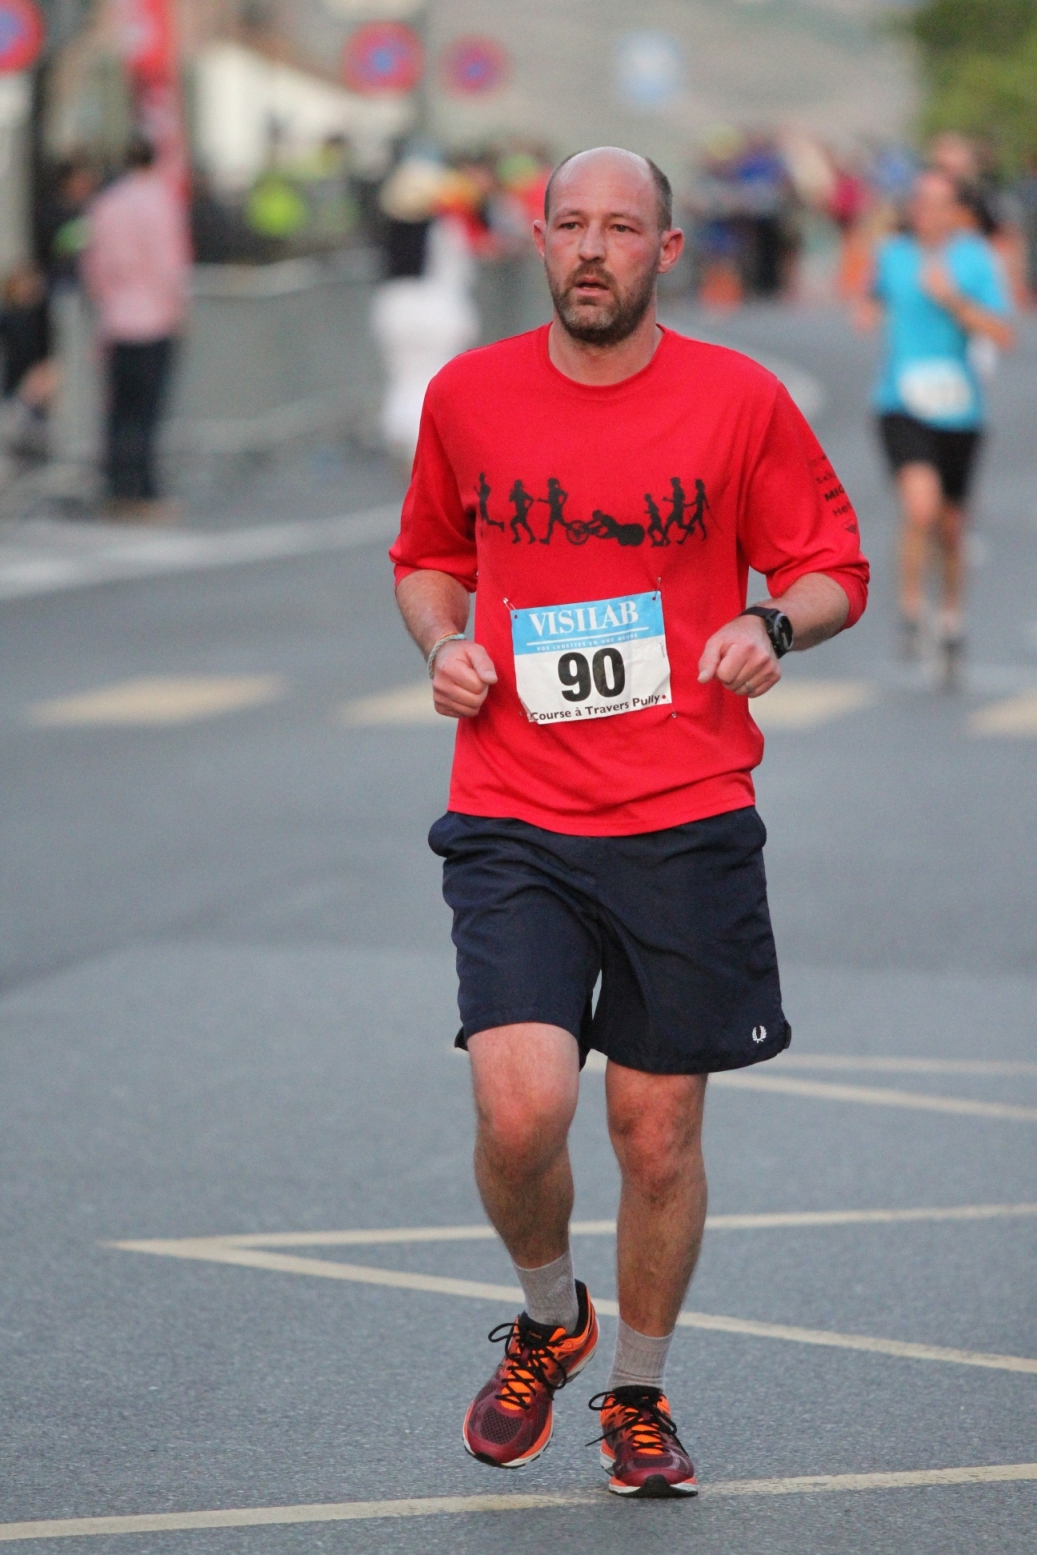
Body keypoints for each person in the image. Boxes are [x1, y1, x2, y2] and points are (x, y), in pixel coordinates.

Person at [391, 146, 868, 1499]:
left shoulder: (737, 398)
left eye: (620, 227)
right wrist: (443, 643)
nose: (591, 247)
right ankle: (550, 1317)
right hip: (513, 808)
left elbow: (834, 566)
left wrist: (771, 625)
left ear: (664, 251)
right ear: (537, 241)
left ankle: (639, 1392)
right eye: (570, 225)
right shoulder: (468, 395)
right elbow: (427, 556)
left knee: (655, 1136)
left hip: (683, 814)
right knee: (519, 1107)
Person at [856, 168, 1013, 685]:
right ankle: (909, 608)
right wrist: (869, 308)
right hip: (900, 400)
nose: (926, 211)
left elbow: (1002, 332)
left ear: (956, 211)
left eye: (938, 202)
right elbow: (872, 295)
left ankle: (950, 615)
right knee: (919, 506)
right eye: (919, 201)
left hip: (960, 408)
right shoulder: (892, 254)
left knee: (951, 526)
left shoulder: (975, 259)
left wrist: (952, 299)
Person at [82, 136, 191, 521]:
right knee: (147, 412)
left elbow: (94, 265)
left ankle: (115, 486)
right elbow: (167, 263)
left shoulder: (106, 203)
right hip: (153, 319)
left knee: (118, 411)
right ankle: (143, 489)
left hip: (115, 320)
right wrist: (178, 306)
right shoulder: (160, 201)